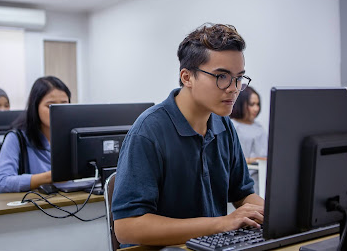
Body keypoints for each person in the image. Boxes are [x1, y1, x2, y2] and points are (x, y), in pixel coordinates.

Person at [112, 23, 264, 246]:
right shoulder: (148, 131)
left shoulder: (224, 125)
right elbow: (127, 228)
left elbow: (243, 194)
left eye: (239, 78)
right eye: (222, 76)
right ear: (187, 77)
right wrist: (222, 223)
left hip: (211, 245)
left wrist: (275, 214)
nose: (233, 88)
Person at [0, 76, 71, 193]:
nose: (58, 111)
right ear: (35, 106)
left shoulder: (73, 136)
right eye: (50, 105)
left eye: (64, 104)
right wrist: (50, 177)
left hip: (71, 202)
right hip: (33, 208)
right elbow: (1, 183)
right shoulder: (16, 138)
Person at [230, 86, 268, 195]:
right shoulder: (232, 126)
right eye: (252, 104)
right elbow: (228, 159)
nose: (256, 109)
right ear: (240, 104)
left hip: (261, 176)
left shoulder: (259, 127)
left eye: (258, 104)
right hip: (242, 180)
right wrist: (253, 159)